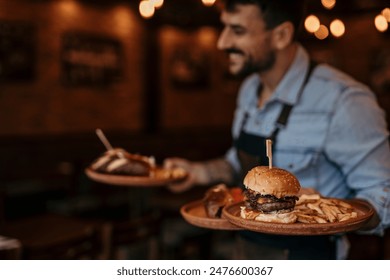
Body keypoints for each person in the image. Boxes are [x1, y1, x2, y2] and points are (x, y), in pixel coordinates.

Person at [164, 0, 390, 259]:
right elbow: (239, 164)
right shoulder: (249, 89)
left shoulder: (344, 100)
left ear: (281, 35)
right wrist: (197, 172)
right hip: (248, 253)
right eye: (224, 28)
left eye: (238, 31)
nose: (222, 43)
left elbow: (384, 194)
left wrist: (321, 208)